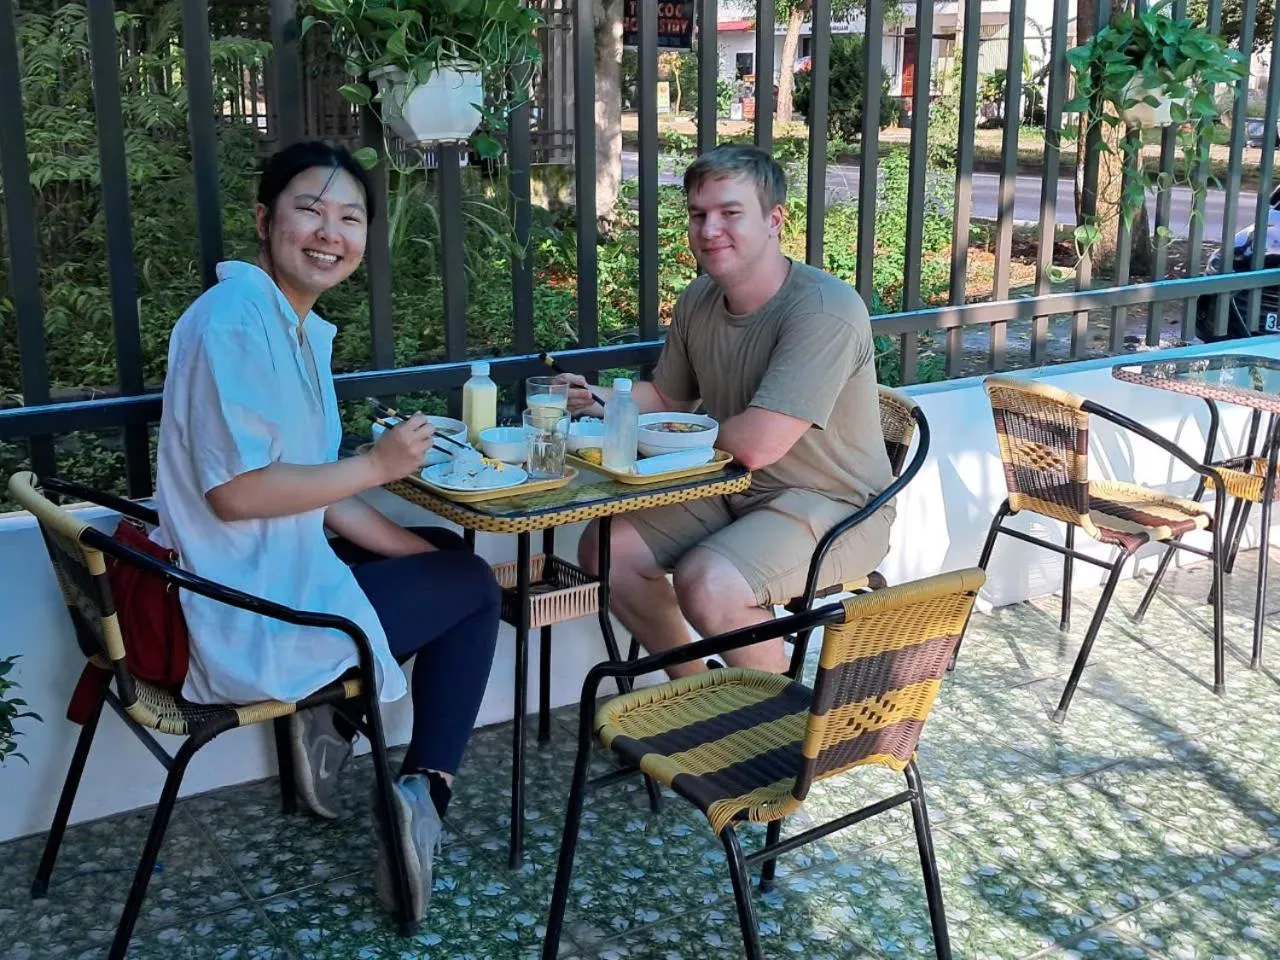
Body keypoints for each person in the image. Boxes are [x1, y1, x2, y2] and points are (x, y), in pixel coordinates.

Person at [153, 141, 500, 921]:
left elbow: (318, 491)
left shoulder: (287, 324)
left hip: (260, 570)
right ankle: (424, 792)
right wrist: (378, 465)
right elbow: (240, 496)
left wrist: (414, 545)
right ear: (264, 219)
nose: (328, 231)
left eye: (349, 217)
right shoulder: (237, 324)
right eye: (309, 209)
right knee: (475, 587)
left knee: (445, 559)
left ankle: (333, 725)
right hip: (250, 609)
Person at [559, 144, 894, 678]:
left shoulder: (824, 310)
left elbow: (757, 444)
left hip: (835, 507)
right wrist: (599, 401)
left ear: (774, 220)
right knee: (605, 547)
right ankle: (695, 692)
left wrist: (670, 432)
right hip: (730, 490)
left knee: (708, 582)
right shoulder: (699, 298)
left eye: (729, 212)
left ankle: (776, 725)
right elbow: (669, 400)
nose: (709, 229)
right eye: (698, 214)